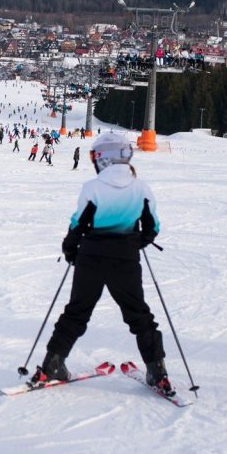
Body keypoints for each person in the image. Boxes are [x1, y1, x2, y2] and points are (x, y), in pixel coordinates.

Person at [34, 133, 170, 393]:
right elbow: (152, 227)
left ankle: (52, 365)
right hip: (125, 259)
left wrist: (70, 250)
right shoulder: (141, 188)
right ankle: (157, 370)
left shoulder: (92, 188)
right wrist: (134, 242)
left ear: (104, 159)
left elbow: (78, 223)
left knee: (76, 312)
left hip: (91, 256)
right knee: (139, 314)